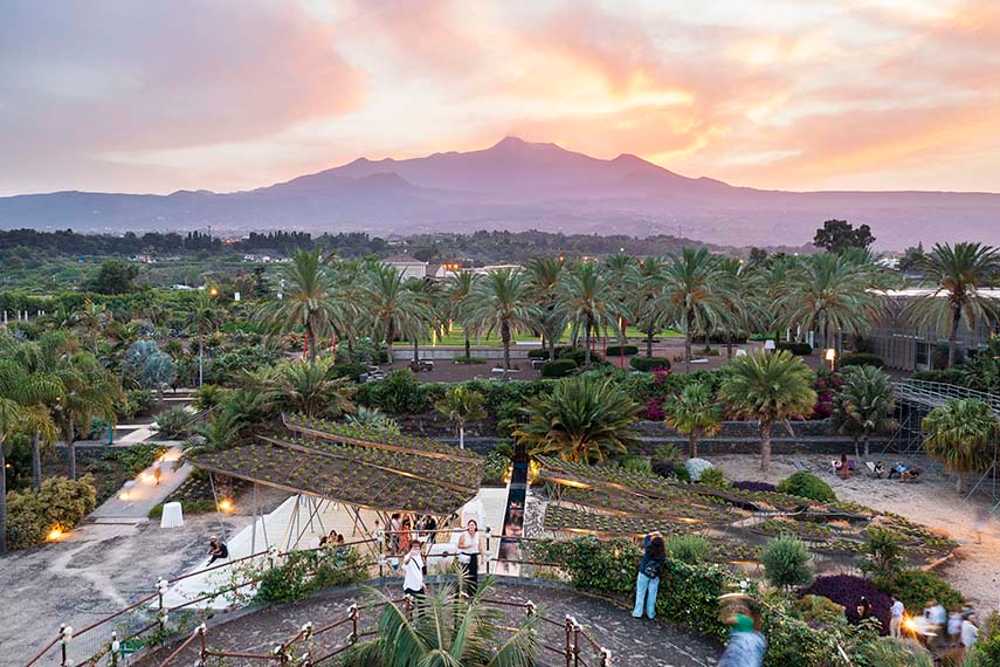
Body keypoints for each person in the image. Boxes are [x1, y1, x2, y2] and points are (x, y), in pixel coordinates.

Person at [632, 531, 666, 620]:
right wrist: (661, 538)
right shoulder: (662, 555)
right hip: (655, 576)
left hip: (643, 573)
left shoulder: (648, 549)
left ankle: (637, 613)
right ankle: (651, 614)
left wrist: (655, 533)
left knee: (640, 593)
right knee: (652, 595)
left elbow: (647, 537)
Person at [457, 519, 484, 594]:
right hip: (465, 555)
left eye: (473, 525)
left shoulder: (478, 535)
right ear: (468, 526)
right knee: (465, 574)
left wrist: (482, 557)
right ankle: (462, 590)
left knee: (474, 574)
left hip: (474, 556)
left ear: (475, 526)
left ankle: (472, 591)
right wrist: (466, 546)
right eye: (470, 525)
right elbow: (459, 545)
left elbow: (480, 547)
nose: (471, 526)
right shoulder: (464, 535)